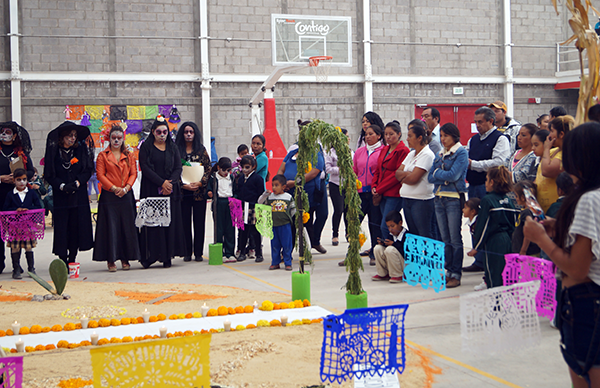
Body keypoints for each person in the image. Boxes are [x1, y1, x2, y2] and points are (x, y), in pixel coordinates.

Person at [524, 122, 600, 387]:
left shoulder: (589, 199)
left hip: (587, 303)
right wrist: (561, 228)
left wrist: (541, 239)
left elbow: (578, 268)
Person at [465, 106, 510, 273]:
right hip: (474, 185)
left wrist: (474, 164)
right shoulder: (473, 140)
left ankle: (489, 258)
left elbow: (499, 162)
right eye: (476, 122)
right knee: (474, 222)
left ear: (491, 121)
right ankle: (479, 259)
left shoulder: (501, 139)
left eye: (481, 122)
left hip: (489, 188)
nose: (477, 125)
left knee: (488, 223)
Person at [43, 121, 94, 266]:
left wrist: (78, 182)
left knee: (75, 226)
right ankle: (62, 258)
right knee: (62, 227)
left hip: (78, 194)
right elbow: (50, 173)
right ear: (62, 137)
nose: (73, 138)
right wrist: (61, 186)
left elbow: (87, 170)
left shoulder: (80, 150)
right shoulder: (55, 152)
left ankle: (72, 258)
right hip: (62, 196)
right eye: (70, 136)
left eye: (75, 136)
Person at [138, 116, 186, 268]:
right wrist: (161, 183)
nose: (162, 135)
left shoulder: (173, 148)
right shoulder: (146, 148)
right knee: (152, 224)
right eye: (159, 132)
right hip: (152, 189)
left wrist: (169, 184)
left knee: (168, 223)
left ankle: (167, 256)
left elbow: (178, 167)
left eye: (165, 132)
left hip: (170, 191)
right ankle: (151, 256)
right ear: (153, 132)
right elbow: (144, 167)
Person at [92, 124, 140, 272]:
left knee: (127, 226)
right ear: (109, 138)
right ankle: (111, 259)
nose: (116, 140)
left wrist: (126, 188)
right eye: (114, 138)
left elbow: (134, 173)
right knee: (110, 227)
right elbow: (100, 175)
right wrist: (113, 188)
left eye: (119, 138)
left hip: (126, 195)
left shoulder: (129, 155)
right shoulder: (102, 155)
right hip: (109, 195)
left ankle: (125, 258)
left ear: (123, 138)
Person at [428, 123, 468, 288]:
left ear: (454, 136)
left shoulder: (461, 153)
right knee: (445, 238)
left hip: (453, 198)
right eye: (441, 136)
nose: (443, 139)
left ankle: (456, 273)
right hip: (438, 198)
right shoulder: (440, 153)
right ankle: (448, 271)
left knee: (454, 238)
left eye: (446, 136)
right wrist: (441, 176)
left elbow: (454, 175)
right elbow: (430, 176)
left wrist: (440, 174)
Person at [277, 121, 327, 254]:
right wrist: (281, 183)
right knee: (290, 223)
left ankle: (304, 247)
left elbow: (314, 172)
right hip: (289, 193)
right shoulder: (293, 151)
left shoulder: (316, 152)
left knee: (302, 222)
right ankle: (288, 250)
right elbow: (281, 169)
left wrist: (295, 182)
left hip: (306, 195)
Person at [468, 166, 518, 289]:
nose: (485, 183)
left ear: (492, 182)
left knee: (493, 275)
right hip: (507, 241)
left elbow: (483, 226)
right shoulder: (509, 200)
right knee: (505, 274)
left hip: (494, 242)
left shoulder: (487, 200)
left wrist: (477, 247)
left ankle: (496, 305)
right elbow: (513, 224)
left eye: (486, 180)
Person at [0, 122, 34, 275]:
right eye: (2, 131)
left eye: (8, 131)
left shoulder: (21, 154)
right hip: (0, 193)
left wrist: (19, 178)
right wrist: (1, 178)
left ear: (14, 136)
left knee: (18, 233)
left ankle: (18, 266)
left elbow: (31, 171)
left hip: (17, 197)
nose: (4, 134)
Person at [175, 121, 212, 262]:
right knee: (184, 222)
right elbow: (172, 170)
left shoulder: (201, 150)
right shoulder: (176, 150)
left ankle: (198, 252)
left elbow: (208, 169)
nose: (189, 134)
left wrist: (201, 183)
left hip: (198, 193)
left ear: (195, 134)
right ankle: (186, 252)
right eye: (186, 132)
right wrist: (182, 185)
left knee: (199, 222)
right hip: (183, 193)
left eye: (191, 132)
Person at [349, 124, 384, 265]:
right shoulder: (359, 152)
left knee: (375, 224)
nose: (368, 137)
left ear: (379, 136)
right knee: (354, 223)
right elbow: (354, 171)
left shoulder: (383, 151)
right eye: (366, 134)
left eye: (371, 134)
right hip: (360, 193)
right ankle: (351, 254)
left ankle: (375, 254)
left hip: (375, 193)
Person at [396, 119, 435, 238]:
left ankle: (428, 257)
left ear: (419, 138)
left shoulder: (427, 154)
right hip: (408, 199)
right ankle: (418, 257)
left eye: (410, 136)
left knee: (424, 233)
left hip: (421, 201)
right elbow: (397, 173)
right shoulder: (411, 154)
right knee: (413, 233)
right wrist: (408, 174)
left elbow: (414, 179)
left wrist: (406, 175)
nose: (407, 139)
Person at [372, 121, 409, 239]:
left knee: (386, 226)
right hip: (382, 193)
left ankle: (392, 250)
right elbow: (378, 169)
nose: (388, 137)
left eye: (391, 134)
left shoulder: (403, 151)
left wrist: (379, 189)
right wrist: (374, 185)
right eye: (386, 134)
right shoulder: (385, 149)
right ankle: (387, 250)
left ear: (399, 134)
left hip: (394, 194)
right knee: (385, 224)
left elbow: (396, 175)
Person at [3, 168, 42, 279]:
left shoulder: (31, 193)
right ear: (14, 181)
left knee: (28, 247)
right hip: (14, 225)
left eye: (24, 179)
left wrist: (27, 209)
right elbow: (5, 209)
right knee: (15, 247)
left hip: (28, 225)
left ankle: (31, 269)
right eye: (19, 179)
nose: (22, 182)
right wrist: (16, 210)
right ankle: (16, 270)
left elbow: (38, 207)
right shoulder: (10, 194)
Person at [537, 115, 574, 212]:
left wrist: (546, 149)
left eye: (552, 131)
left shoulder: (567, 154)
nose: (549, 135)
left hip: (556, 209)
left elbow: (546, 171)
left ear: (561, 134)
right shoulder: (553, 151)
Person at [259, 174, 296, 271]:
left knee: (287, 245)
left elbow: (293, 210)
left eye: (276, 185)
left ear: (283, 187)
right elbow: (260, 202)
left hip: (285, 225)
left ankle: (288, 262)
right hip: (274, 226)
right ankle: (275, 262)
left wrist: (288, 218)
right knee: (275, 245)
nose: (274, 187)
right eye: (273, 185)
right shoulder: (270, 197)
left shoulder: (288, 197)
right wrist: (264, 195)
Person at [207, 157, 236, 263]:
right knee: (219, 229)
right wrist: (209, 193)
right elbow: (208, 190)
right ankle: (221, 252)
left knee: (230, 229)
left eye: (228, 170)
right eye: (224, 170)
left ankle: (230, 252)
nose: (226, 173)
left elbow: (235, 191)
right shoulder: (213, 178)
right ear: (218, 168)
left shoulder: (231, 178)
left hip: (230, 203)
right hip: (218, 203)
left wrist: (234, 199)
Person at [236, 155, 265, 263]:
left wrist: (258, 208)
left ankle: (258, 253)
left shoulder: (258, 179)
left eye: (247, 167)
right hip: (243, 208)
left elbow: (260, 194)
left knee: (255, 232)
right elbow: (239, 193)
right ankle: (242, 252)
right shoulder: (241, 178)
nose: (244, 169)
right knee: (243, 232)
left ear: (253, 167)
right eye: (242, 167)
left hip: (253, 208)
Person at [325, 128, 351, 246]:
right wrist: (341, 169)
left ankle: (348, 233)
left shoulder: (350, 152)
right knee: (338, 209)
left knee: (348, 210)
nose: (348, 139)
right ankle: (335, 235)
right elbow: (328, 169)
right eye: (346, 136)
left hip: (348, 184)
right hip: (335, 184)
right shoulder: (331, 152)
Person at [371, 210, 407, 284]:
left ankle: (398, 274)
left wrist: (394, 244)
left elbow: (406, 252)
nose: (390, 229)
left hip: (405, 264)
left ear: (400, 223)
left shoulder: (406, 235)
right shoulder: (391, 235)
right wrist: (383, 243)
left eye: (392, 226)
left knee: (390, 250)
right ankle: (383, 273)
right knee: (378, 248)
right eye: (388, 227)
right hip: (393, 261)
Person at [512, 181, 541, 256]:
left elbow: (528, 232)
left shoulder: (527, 212)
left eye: (516, 196)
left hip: (528, 253)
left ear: (523, 197)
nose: (515, 198)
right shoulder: (525, 211)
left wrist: (523, 250)